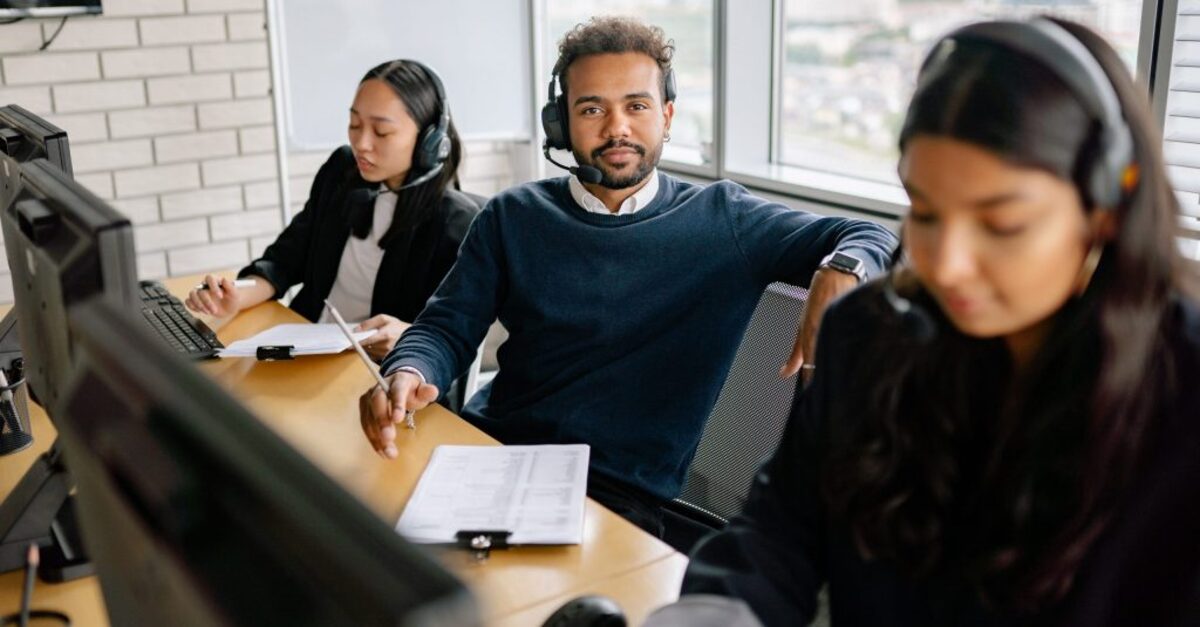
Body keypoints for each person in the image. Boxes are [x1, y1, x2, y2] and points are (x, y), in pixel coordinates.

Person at [647, 17, 1200, 627]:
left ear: (1107, 207)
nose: (948, 265)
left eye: (1001, 224)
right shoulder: (871, 334)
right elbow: (779, 532)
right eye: (927, 213)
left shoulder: (1183, 389)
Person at [359, 16, 898, 536]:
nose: (617, 128)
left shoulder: (724, 220)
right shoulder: (512, 215)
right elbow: (446, 328)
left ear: (665, 116)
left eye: (636, 106)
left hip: (619, 495)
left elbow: (872, 235)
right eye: (592, 108)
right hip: (494, 451)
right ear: (562, 122)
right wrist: (407, 368)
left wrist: (841, 270)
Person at [185, 60, 480, 360]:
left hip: (375, 370)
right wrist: (236, 297)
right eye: (354, 124)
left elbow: (452, 330)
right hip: (307, 345)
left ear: (430, 142)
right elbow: (285, 260)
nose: (361, 143)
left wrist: (408, 335)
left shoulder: (453, 223)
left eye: (381, 131)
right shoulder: (342, 172)